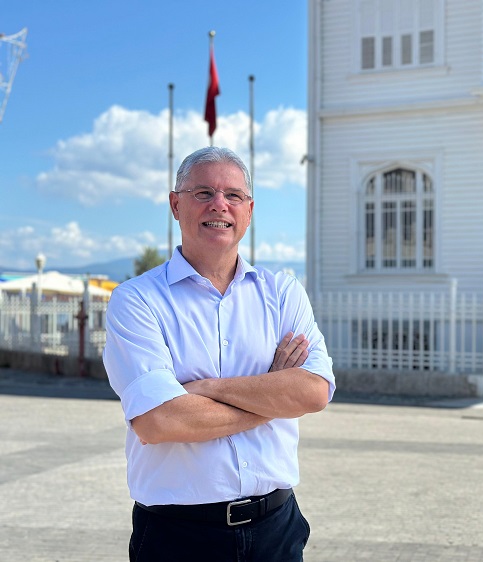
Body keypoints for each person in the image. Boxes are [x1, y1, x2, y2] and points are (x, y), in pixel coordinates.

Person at [103, 146, 335, 562]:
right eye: (203, 193)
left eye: (233, 195)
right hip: (178, 537)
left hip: (276, 531)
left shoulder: (282, 293)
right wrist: (272, 396)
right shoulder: (136, 301)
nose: (219, 205)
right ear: (175, 204)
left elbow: (314, 393)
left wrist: (207, 389)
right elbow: (159, 421)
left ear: (249, 210)